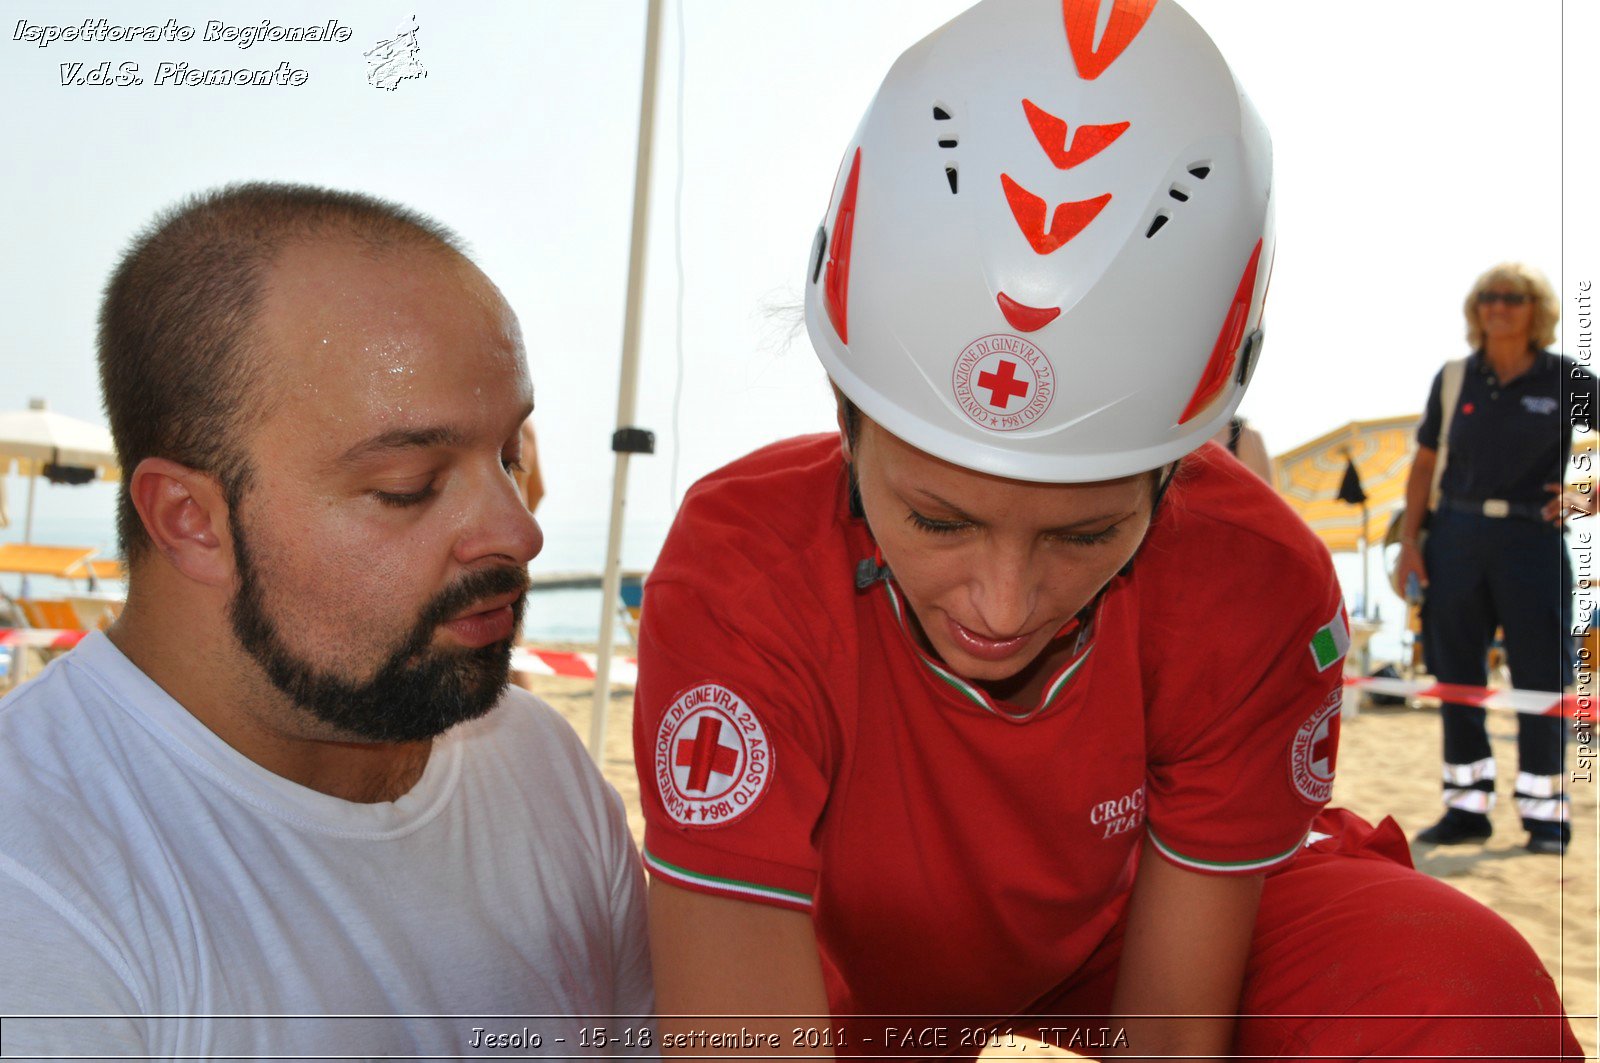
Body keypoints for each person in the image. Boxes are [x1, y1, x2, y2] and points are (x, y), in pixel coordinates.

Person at [632, 1, 1580, 1058]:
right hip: (842, 937)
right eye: (934, 517)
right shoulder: (742, 564)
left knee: (1457, 996)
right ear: (843, 423)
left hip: (1124, 920)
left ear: (1178, 476)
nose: (999, 605)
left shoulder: (1252, 578)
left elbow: (1170, 1032)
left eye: (1083, 534)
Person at [0, 184, 652, 1056]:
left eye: (507, 455)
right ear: (191, 520)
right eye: (408, 488)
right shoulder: (38, 882)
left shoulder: (540, 766)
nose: (518, 532)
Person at [1394, 262, 1596, 856]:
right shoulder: (1455, 379)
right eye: (1487, 297)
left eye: (1511, 297)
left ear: (1538, 311)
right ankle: (1466, 808)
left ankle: (1545, 816)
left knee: (1543, 679)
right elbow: (1425, 464)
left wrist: (1591, 496)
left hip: (1533, 539)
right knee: (1456, 675)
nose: (1497, 306)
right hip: (1453, 534)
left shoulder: (1567, 380)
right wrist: (1410, 541)